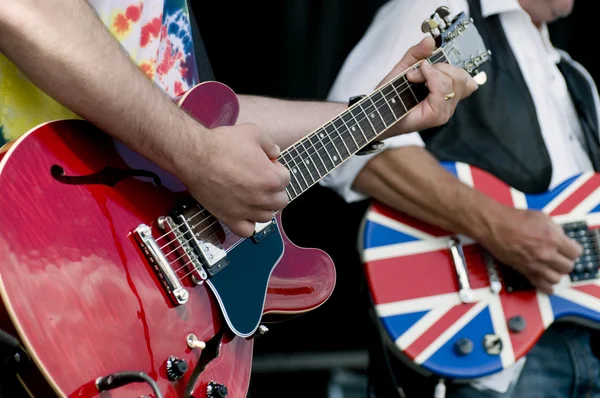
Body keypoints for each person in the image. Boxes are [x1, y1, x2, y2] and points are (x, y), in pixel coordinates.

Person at [0, 0, 477, 396]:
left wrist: (375, 117)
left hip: (123, 287)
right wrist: (198, 154)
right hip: (38, 236)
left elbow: (196, 119)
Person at [320, 0, 600, 397]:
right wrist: (498, 225)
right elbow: (348, 142)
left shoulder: (574, 76)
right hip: (486, 351)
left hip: (582, 339)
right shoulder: (445, 11)